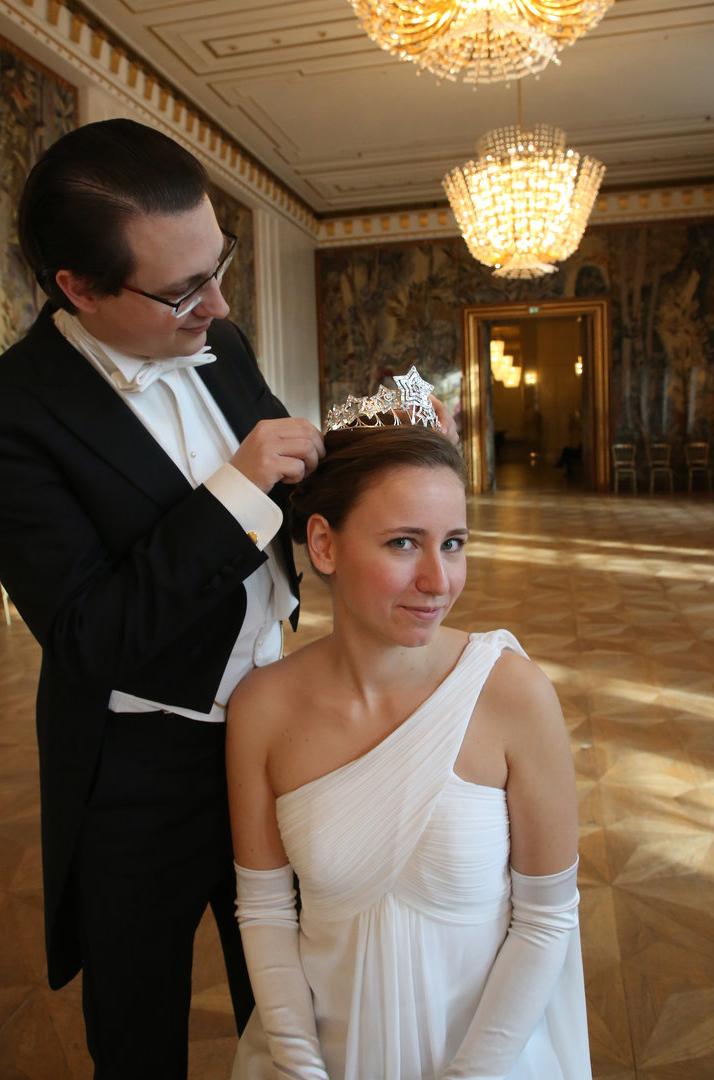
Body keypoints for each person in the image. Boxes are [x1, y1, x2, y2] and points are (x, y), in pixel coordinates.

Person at [0, 118, 326, 1079]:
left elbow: (285, 482)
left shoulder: (219, 337)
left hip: (276, 724)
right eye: (186, 289)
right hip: (137, 772)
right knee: (138, 1025)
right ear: (78, 288)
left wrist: (381, 455)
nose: (219, 304)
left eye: (219, 266)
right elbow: (90, 634)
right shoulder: (14, 412)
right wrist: (235, 487)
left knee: (293, 993)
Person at [226, 420, 592, 1079]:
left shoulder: (513, 695)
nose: (438, 580)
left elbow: (545, 920)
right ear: (324, 544)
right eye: (403, 543)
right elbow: (265, 908)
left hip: (489, 1057)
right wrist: (299, 1063)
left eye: (453, 544)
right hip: (326, 1056)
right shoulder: (263, 709)